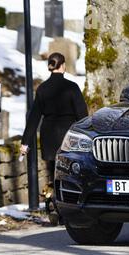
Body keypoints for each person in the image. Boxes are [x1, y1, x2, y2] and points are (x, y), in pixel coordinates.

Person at [20, 52, 88, 187]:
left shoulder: (42, 88)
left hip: (49, 135)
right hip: (68, 136)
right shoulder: (72, 87)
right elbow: (82, 116)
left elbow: (33, 118)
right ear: (62, 66)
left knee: (52, 172)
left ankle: (53, 199)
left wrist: (25, 142)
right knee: (69, 172)